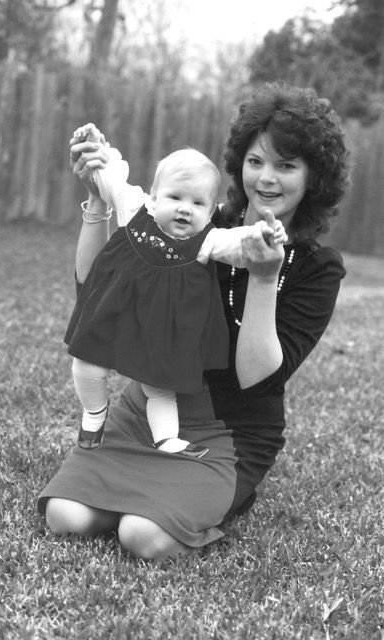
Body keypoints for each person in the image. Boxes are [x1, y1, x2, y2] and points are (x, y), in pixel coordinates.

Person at [38, 82, 350, 560]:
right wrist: (99, 201)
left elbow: (256, 377)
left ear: (314, 178)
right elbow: (96, 285)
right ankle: (138, 486)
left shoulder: (316, 266)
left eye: (286, 165)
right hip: (151, 405)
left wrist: (264, 279)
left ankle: (195, 495)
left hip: (231, 430)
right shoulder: (196, 220)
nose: (266, 178)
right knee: (65, 517)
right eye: (256, 161)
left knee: (143, 538)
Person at [65, 124, 287, 457]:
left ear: (211, 213)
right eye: (175, 197)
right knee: (86, 365)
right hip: (117, 311)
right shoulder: (135, 208)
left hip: (160, 327)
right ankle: (94, 413)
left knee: (160, 385)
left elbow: (237, 246)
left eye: (198, 203)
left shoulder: (206, 240)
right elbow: (109, 177)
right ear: (154, 197)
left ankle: (166, 438)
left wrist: (262, 234)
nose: (185, 208)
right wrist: (96, 147)